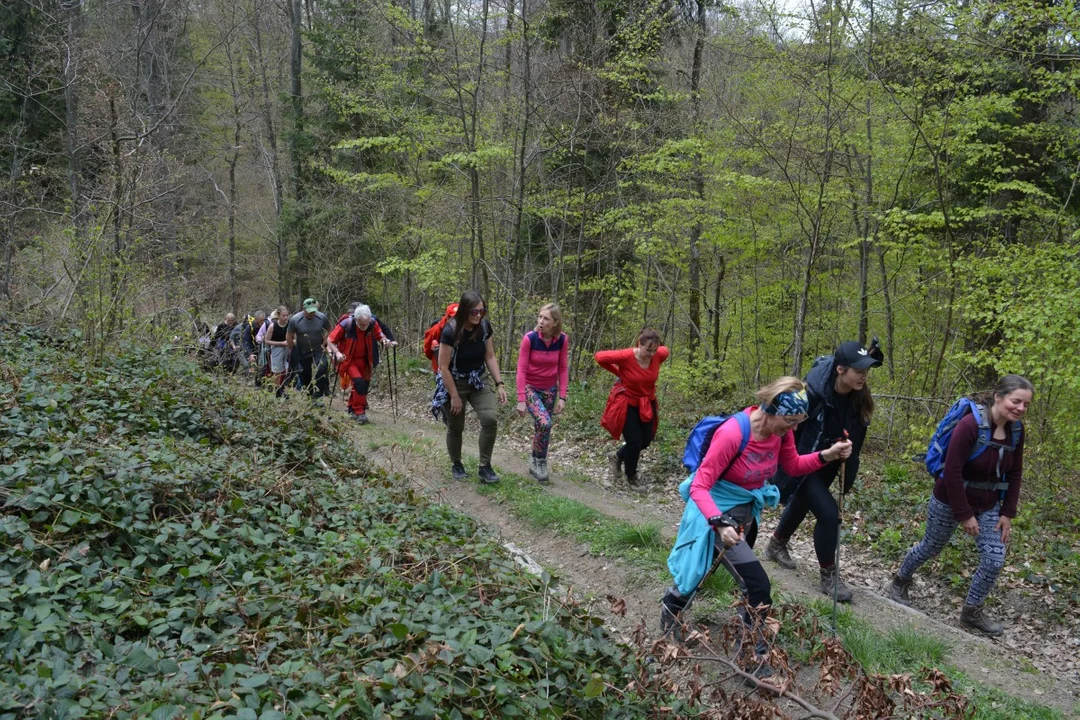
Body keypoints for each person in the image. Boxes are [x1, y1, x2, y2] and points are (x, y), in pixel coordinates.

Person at [661, 378, 853, 678]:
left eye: (797, 424)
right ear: (771, 409)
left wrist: (826, 456)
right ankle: (753, 660)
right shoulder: (733, 433)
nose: (792, 430)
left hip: (747, 511)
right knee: (756, 584)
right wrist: (719, 522)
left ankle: (673, 608)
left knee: (718, 570)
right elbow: (700, 485)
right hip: (715, 512)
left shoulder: (781, 431)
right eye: (789, 422)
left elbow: (792, 467)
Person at [887, 375, 1034, 636]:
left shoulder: (1016, 432)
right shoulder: (969, 426)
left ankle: (971, 611)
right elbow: (952, 472)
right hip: (950, 498)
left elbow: (1015, 474)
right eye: (1016, 401)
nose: (1021, 409)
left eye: (1026, 405)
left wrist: (1007, 512)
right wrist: (964, 514)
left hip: (989, 504)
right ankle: (900, 580)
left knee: (994, 558)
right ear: (998, 397)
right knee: (932, 546)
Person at [765, 340, 883, 603]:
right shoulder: (813, 393)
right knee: (830, 515)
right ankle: (829, 575)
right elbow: (789, 429)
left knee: (804, 503)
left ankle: (776, 544)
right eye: (858, 370)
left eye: (866, 371)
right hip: (803, 459)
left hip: (832, 461)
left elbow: (857, 437)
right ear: (841, 369)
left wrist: (847, 464)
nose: (864, 376)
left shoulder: (858, 396)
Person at [433, 290, 508, 483]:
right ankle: (456, 464)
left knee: (490, 419)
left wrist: (499, 384)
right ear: (465, 311)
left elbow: (489, 356)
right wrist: (454, 396)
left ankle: (485, 467)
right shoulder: (451, 331)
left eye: (482, 311)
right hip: (454, 381)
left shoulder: (484, 327)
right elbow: (443, 367)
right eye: (474, 312)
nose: (479, 315)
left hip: (478, 379)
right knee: (456, 426)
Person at [594, 328, 670, 493]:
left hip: (646, 402)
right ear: (639, 344)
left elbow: (666, 351)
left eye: (654, 350)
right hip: (627, 402)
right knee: (634, 441)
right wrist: (619, 372)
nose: (651, 353)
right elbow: (599, 357)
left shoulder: (659, 354)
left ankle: (618, 456)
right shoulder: (627, 356)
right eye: (648, 349)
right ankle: (632, 477)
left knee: (646, 440)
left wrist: (656, 352)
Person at [515, 303, 569, 482]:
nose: (541, 321)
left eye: (546, 319)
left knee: (542, 428)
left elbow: (562, 369)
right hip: (531, 387)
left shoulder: (562, 340)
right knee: (545, 423)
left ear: (555, 323)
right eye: (539, 317)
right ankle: (540, 460)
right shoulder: (530, 339)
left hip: (550, 389)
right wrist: (521, 399)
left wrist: (562, 396)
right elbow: (521, 369)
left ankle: (536, 460)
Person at [328, 304, 397, 424]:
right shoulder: (346, 324)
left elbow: (379, 334)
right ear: (356, 319)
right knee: (359, 383)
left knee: (363, 384)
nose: (364, 326)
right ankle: (360, 412)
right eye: (361, 324)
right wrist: (337, 353)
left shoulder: (372, 323)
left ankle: (351, 407)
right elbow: (330, 340)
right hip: (348, 359)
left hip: (365, 359)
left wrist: (385, 341)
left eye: (366, 323)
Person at [286, 298, 333, 401]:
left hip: (317, 349)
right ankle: (309, 393)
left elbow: (330, 330)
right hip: (302, 350)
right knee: (305, 373)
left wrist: (324, 342)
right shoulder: (295, 319)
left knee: (322, 368)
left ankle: (318, 396)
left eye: (313, 311)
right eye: (309, 311)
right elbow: (289, 335)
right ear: (304, 309)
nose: (312, 313)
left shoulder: (321, 317)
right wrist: (292, 348)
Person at [261, 305, 291, 394]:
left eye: (287, 315)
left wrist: (289, 342)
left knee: (286, 370)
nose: (286, 317)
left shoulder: (290, 324)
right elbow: (266, 340)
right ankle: (277, 390)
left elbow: (296, 338)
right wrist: (281, 343)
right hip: (276, 349)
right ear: (278, 315)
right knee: (277, 371)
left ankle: (282, 389)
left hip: (288, 349)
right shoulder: (272, 326)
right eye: (283, 315)